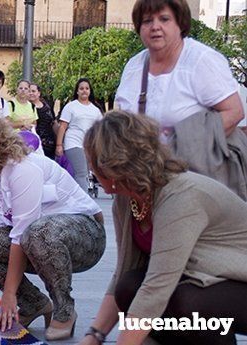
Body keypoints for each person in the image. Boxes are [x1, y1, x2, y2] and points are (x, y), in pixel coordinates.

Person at [81, 110, 247, 345]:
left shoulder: (180, 195)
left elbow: (158, 285)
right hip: (207, 280)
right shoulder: (126, 198)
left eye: (92, 160)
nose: (90, 167)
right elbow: (123, 270)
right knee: (128, 287)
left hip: (237, 284)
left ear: (113, 166)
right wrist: (94, 336)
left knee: (187, 303)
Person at [0, 112, 104, 340]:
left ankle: (64, 311)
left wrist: (8, 296)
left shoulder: (22, 168)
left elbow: (20, 235)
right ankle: (34, 304)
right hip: (36, 239)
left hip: (87, 237)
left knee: (36, 233)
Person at [115, 0, 246, 197]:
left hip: (197, 179)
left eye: (164, 19)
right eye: (147, 21)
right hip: (145, 180)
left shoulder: (201, 60)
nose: (155, 27)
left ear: (180, 23)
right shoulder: (134, 67)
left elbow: (234, 112)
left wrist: (184, 144)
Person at [55, 78, 102, 192]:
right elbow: (63, 126)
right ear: (77, 91)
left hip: (88, 145)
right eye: (81, 89)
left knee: (84, 174)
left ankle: (77, 200)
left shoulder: (95, 109)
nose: (84, 91)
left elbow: (99, 129)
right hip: (73, 143)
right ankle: (84, 202)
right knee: (81, 173)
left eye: (86, 88)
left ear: (90, 91)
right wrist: (59, 145)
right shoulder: (71, 106)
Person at [29, 83, 57, 159]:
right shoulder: (27, 108)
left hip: (50, 144)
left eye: (33, 91)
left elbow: (53, 122)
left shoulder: (46, 105)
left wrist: (59, 143)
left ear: (39, 93)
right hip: (36, 145)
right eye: (29, 91)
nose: (31, 93)